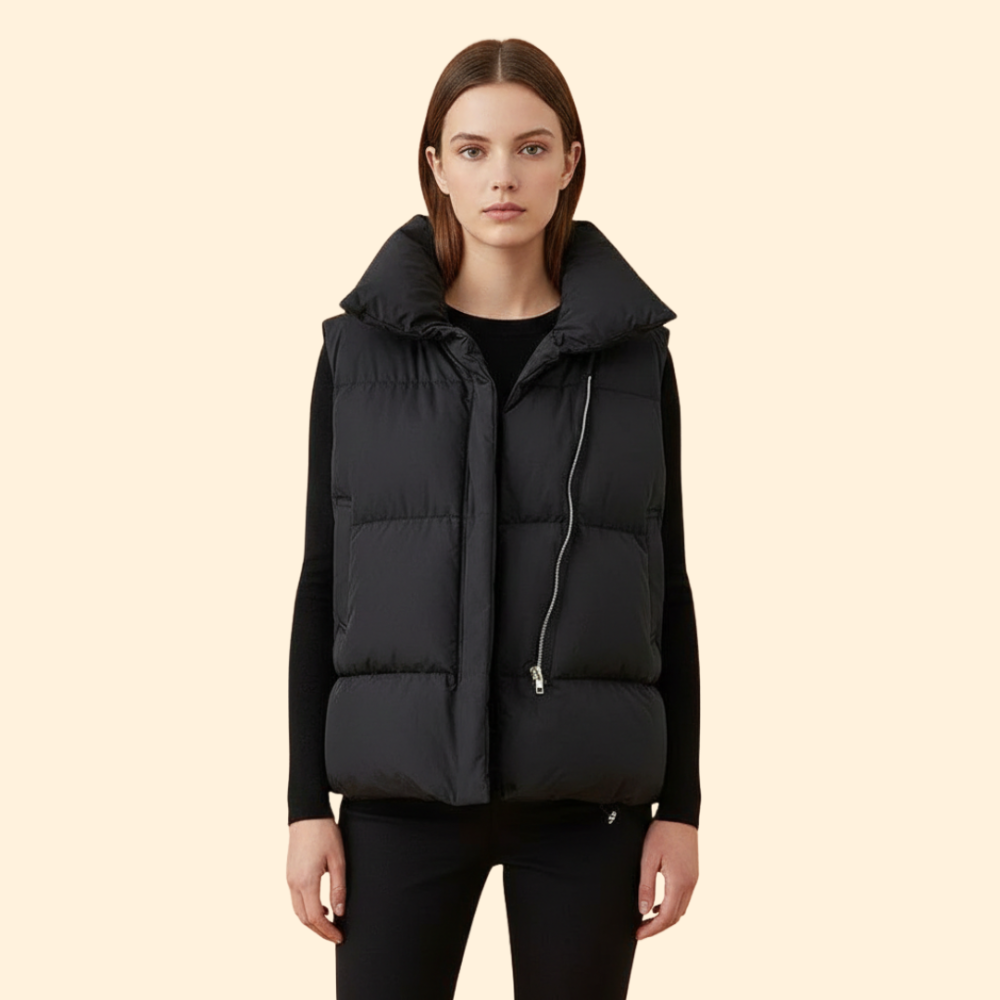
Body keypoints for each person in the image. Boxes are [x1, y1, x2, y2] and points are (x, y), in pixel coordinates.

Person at [286, 38, 701, 1000]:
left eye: (530, 147)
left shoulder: (634, 362)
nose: (502, 176)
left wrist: (680, 807)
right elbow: (323, 579)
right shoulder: (357, 355)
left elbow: (665, 581)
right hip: (400, 798)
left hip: (588, 803)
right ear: (436, 166)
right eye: (472, 150)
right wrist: (307, 804)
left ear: (570, 163)